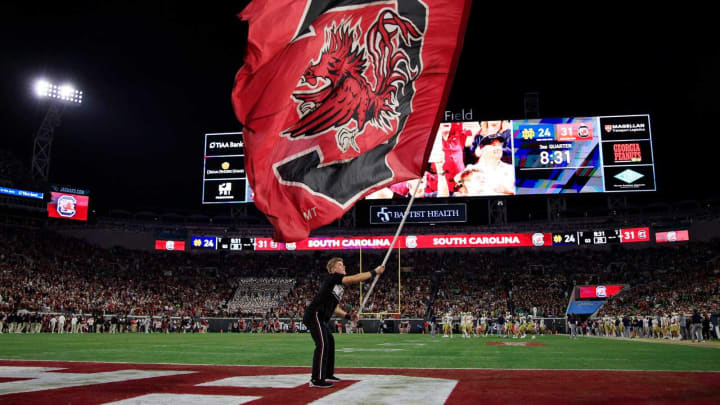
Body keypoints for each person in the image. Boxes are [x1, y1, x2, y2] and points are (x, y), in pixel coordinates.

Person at [303, 257, 385, 388]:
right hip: (314, 315)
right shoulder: (332, 278)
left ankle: (328, 373)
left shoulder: (338, 287)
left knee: (329, 342)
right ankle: (316, 379)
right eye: (340, 265)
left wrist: (348, 316)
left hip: (321, 318)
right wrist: (374, 272)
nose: (344, 267)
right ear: (333, 269)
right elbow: (354, 279)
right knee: (322, 344)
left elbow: (335, 309)